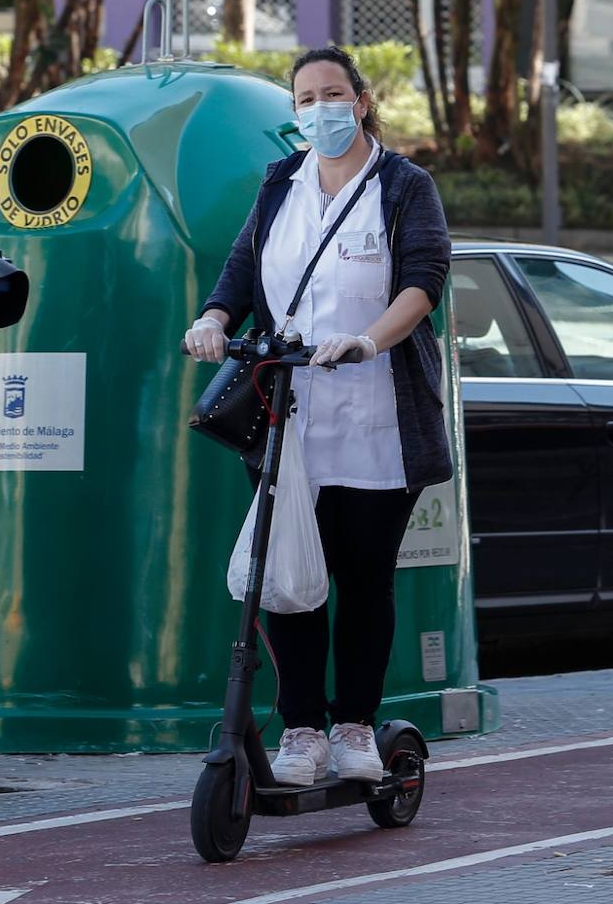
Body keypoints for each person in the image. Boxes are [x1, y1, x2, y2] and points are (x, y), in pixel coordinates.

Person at [183, 46, 452, 785]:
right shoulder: (281, 183)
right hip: (289, 417)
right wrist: (212, 318)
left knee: (364, 578)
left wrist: (369, 338)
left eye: (333, 94)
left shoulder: (403, 186)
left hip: (379, 418)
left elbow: (424, 280)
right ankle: (302, 730)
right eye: (305, 98)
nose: (319, 109)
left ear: (361, 102)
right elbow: (242, 269)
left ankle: (356, 727)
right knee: (290, 575)